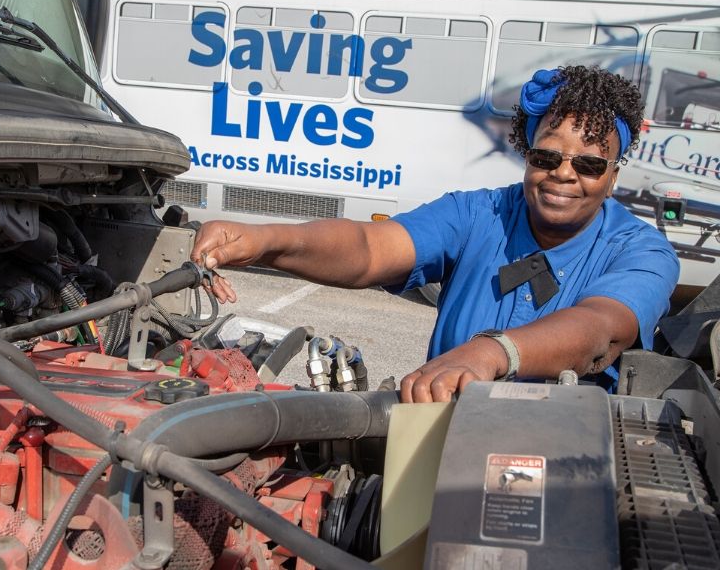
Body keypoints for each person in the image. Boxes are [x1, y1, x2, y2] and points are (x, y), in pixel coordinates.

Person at [191, 65, 680, 403]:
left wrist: (491, 352)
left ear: (614, 173)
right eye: (546, 157)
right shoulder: (478, 213)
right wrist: (264, 240)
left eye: (590, 164)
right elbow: (368, 248)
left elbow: (601, 328)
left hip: (565, 461)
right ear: (527, 154)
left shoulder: (641, 251)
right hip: (439, 437)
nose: (564, 175)